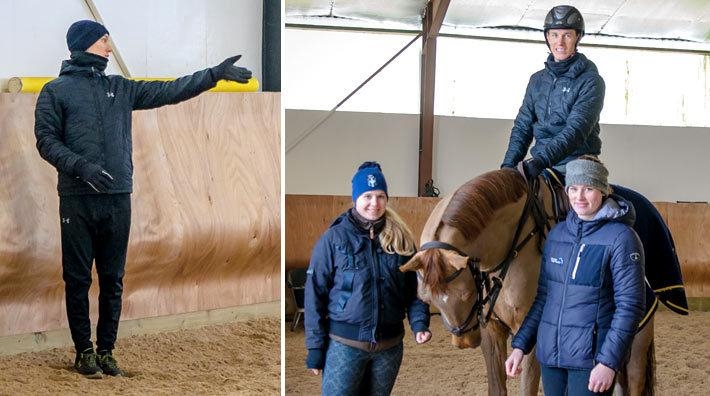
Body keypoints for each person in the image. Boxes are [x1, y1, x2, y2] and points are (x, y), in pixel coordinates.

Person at [34, 20, 252, 378]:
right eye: (105, 40)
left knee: (113, 279)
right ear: (87, 43)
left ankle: (106, 351)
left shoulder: (120, 89)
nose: (109, 46)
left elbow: (169, 90)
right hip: (77, 198)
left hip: (118, 198)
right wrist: (80, 167)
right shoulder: (55, 92)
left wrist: (213, 74)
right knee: (77, 279)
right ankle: (83, 351)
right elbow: (45, 140)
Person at [504, 156, 646, 395]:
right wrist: (520, 346)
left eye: (588, 188)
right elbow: (544, 298)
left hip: (591, 360)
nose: (579, 197)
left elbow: (630, 306)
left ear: (603, 190)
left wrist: (608, 362)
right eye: (573, 188)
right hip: (551, 357)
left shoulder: (621, 238)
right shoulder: (557, 234)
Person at [304, 161, 431, 395]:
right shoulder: (333, 239)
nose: (375, 203)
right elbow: (315, 294)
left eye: (381, 196)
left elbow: (414, 291)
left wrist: (419, 323)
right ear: (356, 198)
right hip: (345, 345)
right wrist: (315, 347)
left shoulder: (401, 239)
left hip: (389, 348)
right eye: (368, 196)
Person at [501, 4, 604, 178]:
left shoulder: (591, 81)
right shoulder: (537, 80)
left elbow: (576, 130)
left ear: (577, 37)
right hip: (540, 163)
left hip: (576, 163)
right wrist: (508, 166)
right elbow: (523, 126)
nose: (560, 42)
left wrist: (540, 161)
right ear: (547, 37)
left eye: (567, 35)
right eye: (555, 35)